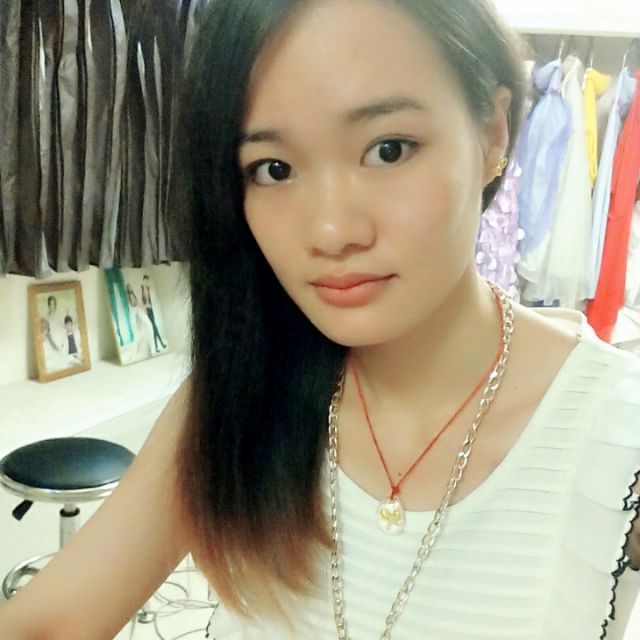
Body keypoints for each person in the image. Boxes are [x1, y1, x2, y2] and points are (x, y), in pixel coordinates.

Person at [2, 1, 639, 639]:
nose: (331, 231)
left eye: (388, 149)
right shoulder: (237, 399)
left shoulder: (614, 438)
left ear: (493, 132)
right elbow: (49, 625)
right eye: (274, 169)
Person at [141, 274, 167, 352]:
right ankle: (160, 345)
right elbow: (142, 301)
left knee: (154, 327)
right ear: (143, 280)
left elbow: (150, 299)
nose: (146, 282)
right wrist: (145, 307)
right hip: (147, 310)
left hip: (151, 309)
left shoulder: (148, 288)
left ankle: (157, 347)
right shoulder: (142, 288)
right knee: (154, 327)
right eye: (145, 281)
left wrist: (151, 305)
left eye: (147, 281)